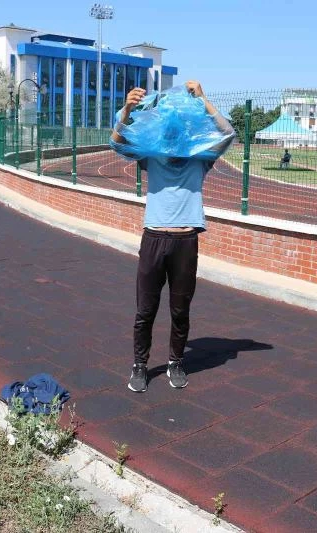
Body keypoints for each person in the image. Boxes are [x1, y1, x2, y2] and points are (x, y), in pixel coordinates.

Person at [111, 81, 234, 392]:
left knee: (180, 309)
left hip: (186, 241)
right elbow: (116, 143)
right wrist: (127, 109)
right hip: (154, 238)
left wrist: (204, 98)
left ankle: (175, 362)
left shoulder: (200, 159)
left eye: (178, 130)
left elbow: (228, 133)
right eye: (169, 130)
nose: (173, 135)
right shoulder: (150, 158)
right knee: (145, 309)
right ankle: (140, 365)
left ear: (186, 132)